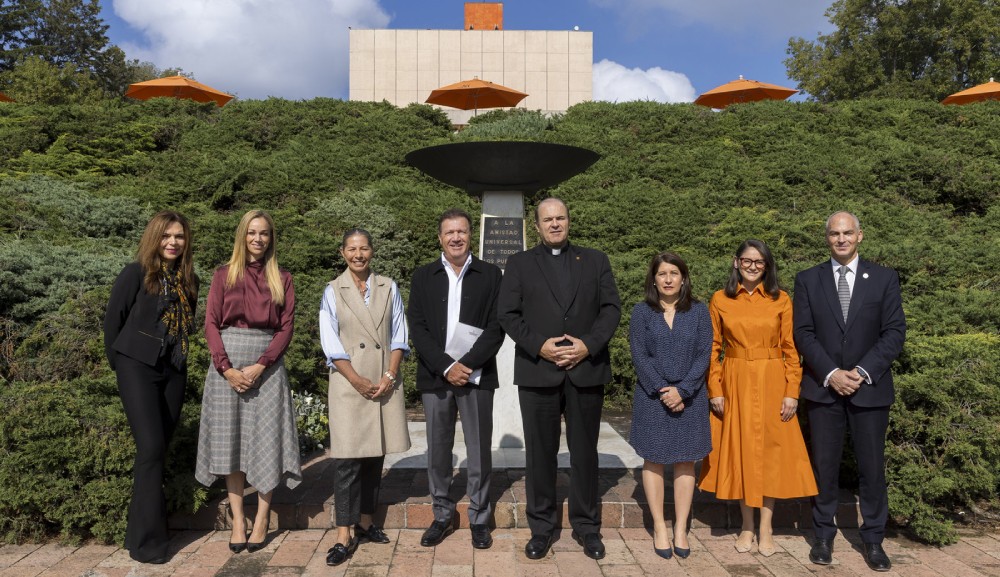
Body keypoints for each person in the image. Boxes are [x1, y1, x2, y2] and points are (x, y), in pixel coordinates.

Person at [497, 197, 621, 561]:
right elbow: (507, 314)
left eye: (560, 218)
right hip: (539, 371)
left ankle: (587, 527)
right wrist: (540, 346)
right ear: (536, 225)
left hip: (586, 369)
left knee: (585, 452)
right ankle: (541, 529)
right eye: (547, 219)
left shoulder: (595, 260)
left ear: (569, 220)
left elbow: (610, 308)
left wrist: (588, 345)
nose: (555, 224)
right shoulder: (519, 263)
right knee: (540, 455)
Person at [793, 212, 905, 572]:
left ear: (860, 236)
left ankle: (873, 540)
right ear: (826, 238)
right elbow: (803, 333)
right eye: (834, 234)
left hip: (868, 390)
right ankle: (823, 537)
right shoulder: (808, 279)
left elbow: (894, 332)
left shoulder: (884, 278)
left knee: (871, 469)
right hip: (824, 389)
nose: (841, 239)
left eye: (847, 233)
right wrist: (830, 373)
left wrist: (859, 372)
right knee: (824, 467)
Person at [698, 239, 817, 557]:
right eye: (747, 261)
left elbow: (791, 348)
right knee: (740, 452)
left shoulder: (781, 299)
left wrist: (793, 391)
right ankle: (746, 526)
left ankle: (766, 527)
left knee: (770, 454)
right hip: (735, 378)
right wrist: (716, 389)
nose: (752, 266)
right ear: (736, 262)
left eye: (759, 262)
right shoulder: (721, 299)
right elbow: (712, 347)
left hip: (772, 378)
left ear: (768, 266)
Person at [195, 210, 301, 554]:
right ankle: (239, 519)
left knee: (266, 441)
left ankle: (263, 517)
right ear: (242, 236)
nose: (258, 239)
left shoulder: (281, 277)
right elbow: (211, 322)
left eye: (265, 233)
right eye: (252, 233)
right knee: (231, 443)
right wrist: (225, 368)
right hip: (226, 367)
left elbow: (286, 327)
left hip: (266, 369)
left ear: (271, 238)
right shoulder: (223, 275)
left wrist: (261, 364)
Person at [103, 210, 198, 564]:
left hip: (173, 370)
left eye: (179, 236)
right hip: (136, 367)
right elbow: (113, 323)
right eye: (166, 236)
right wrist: (124, 367)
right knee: (150, 448)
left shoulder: (190, 280)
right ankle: (149, 543)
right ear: (154, 238)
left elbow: (186, 327)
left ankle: (137, 533)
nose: (173, 242)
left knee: (159, 452)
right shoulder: (135, 273)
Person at [408, 209, 505, 550]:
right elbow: (417, 328)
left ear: (470, 234)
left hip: (477, 376)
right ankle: (441, 514)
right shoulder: (423, 276)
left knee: (479, 450)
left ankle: (479, 517)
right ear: (440, 237)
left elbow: (498, 327)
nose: (456, 238)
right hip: (436, 376)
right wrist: (447, 366)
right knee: (438, 449)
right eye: (449, 232)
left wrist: (467, 364)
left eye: (461, 231)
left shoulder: (491, 274)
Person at [319, 228, 411, 566]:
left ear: (372, 251)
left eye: (364, 248)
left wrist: (389, 374)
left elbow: (400, 333)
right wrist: (357, 379)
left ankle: (367, 519)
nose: (358, 255)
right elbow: (330, 342)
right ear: (343, 252)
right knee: (346, 460)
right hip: (348, 382)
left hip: (384, 379)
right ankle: (344, 532)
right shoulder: (332, 290)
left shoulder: (389, 286)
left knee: (375, 454)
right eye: (352, 249)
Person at [628, 252, 712, 560]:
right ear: (653, 279)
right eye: (662, 274)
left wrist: (683, 390)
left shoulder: (699, 312)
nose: (667, 279)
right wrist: (664, 391)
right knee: (653, 460)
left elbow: (704, 354)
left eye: (673, 273)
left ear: (683, 278)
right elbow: (639, 355)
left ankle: (680, 528)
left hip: (690, 398)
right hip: (653, 398)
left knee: (685, 461)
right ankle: (660, 527)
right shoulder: (641, 312)